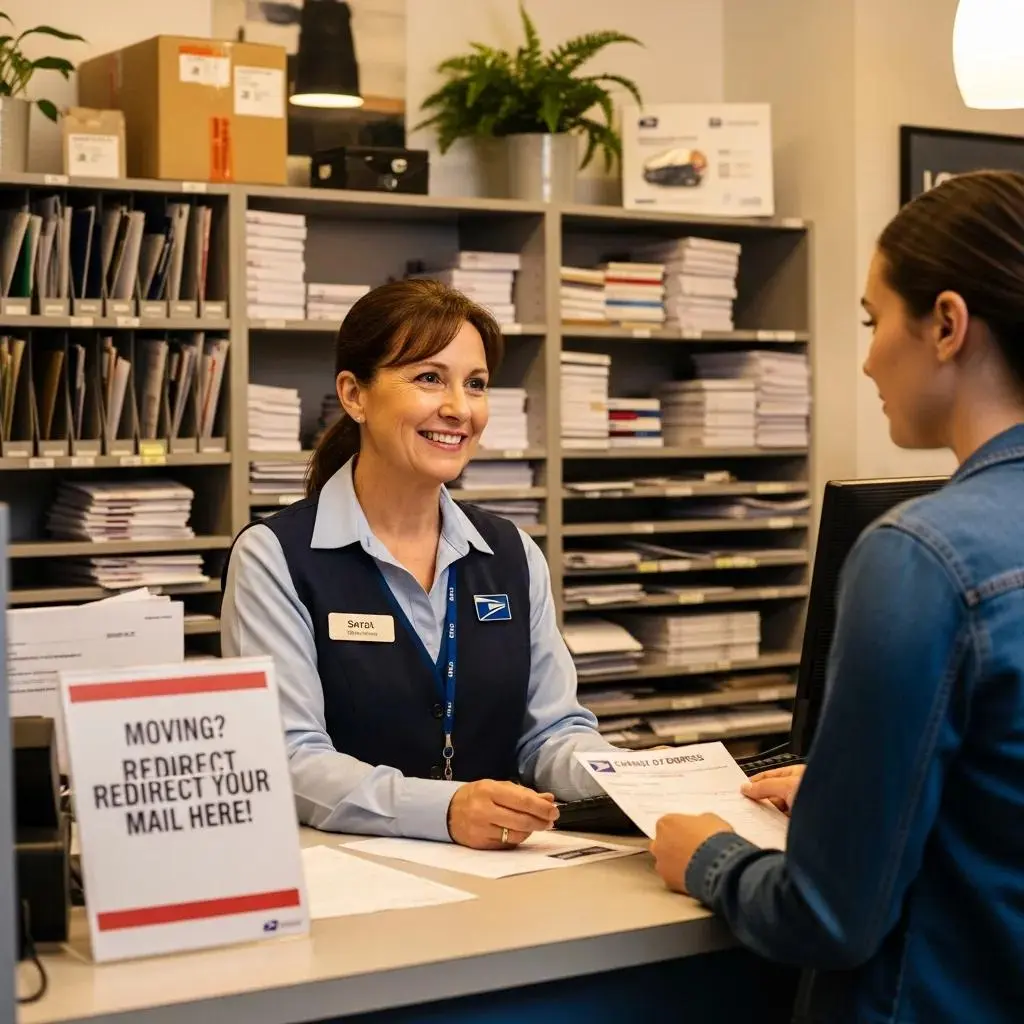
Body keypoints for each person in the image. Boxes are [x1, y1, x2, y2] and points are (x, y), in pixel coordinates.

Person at [650, 169, 1024, 1023]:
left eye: (872, 320)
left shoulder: (921, 557)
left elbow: (828, 916)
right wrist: (857, 781)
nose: (864, 358)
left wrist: (709, 855)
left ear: (946, 324)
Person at [222, 279, 615, 849]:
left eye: (475, 384)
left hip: (503, 873)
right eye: (429, 378)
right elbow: (290, 756)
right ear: (354, 395)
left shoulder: (511, 553)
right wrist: (445, 810)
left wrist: (641, 780)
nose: (459, 409)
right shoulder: (277, 557)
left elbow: (552, 734)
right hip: (353, 877)